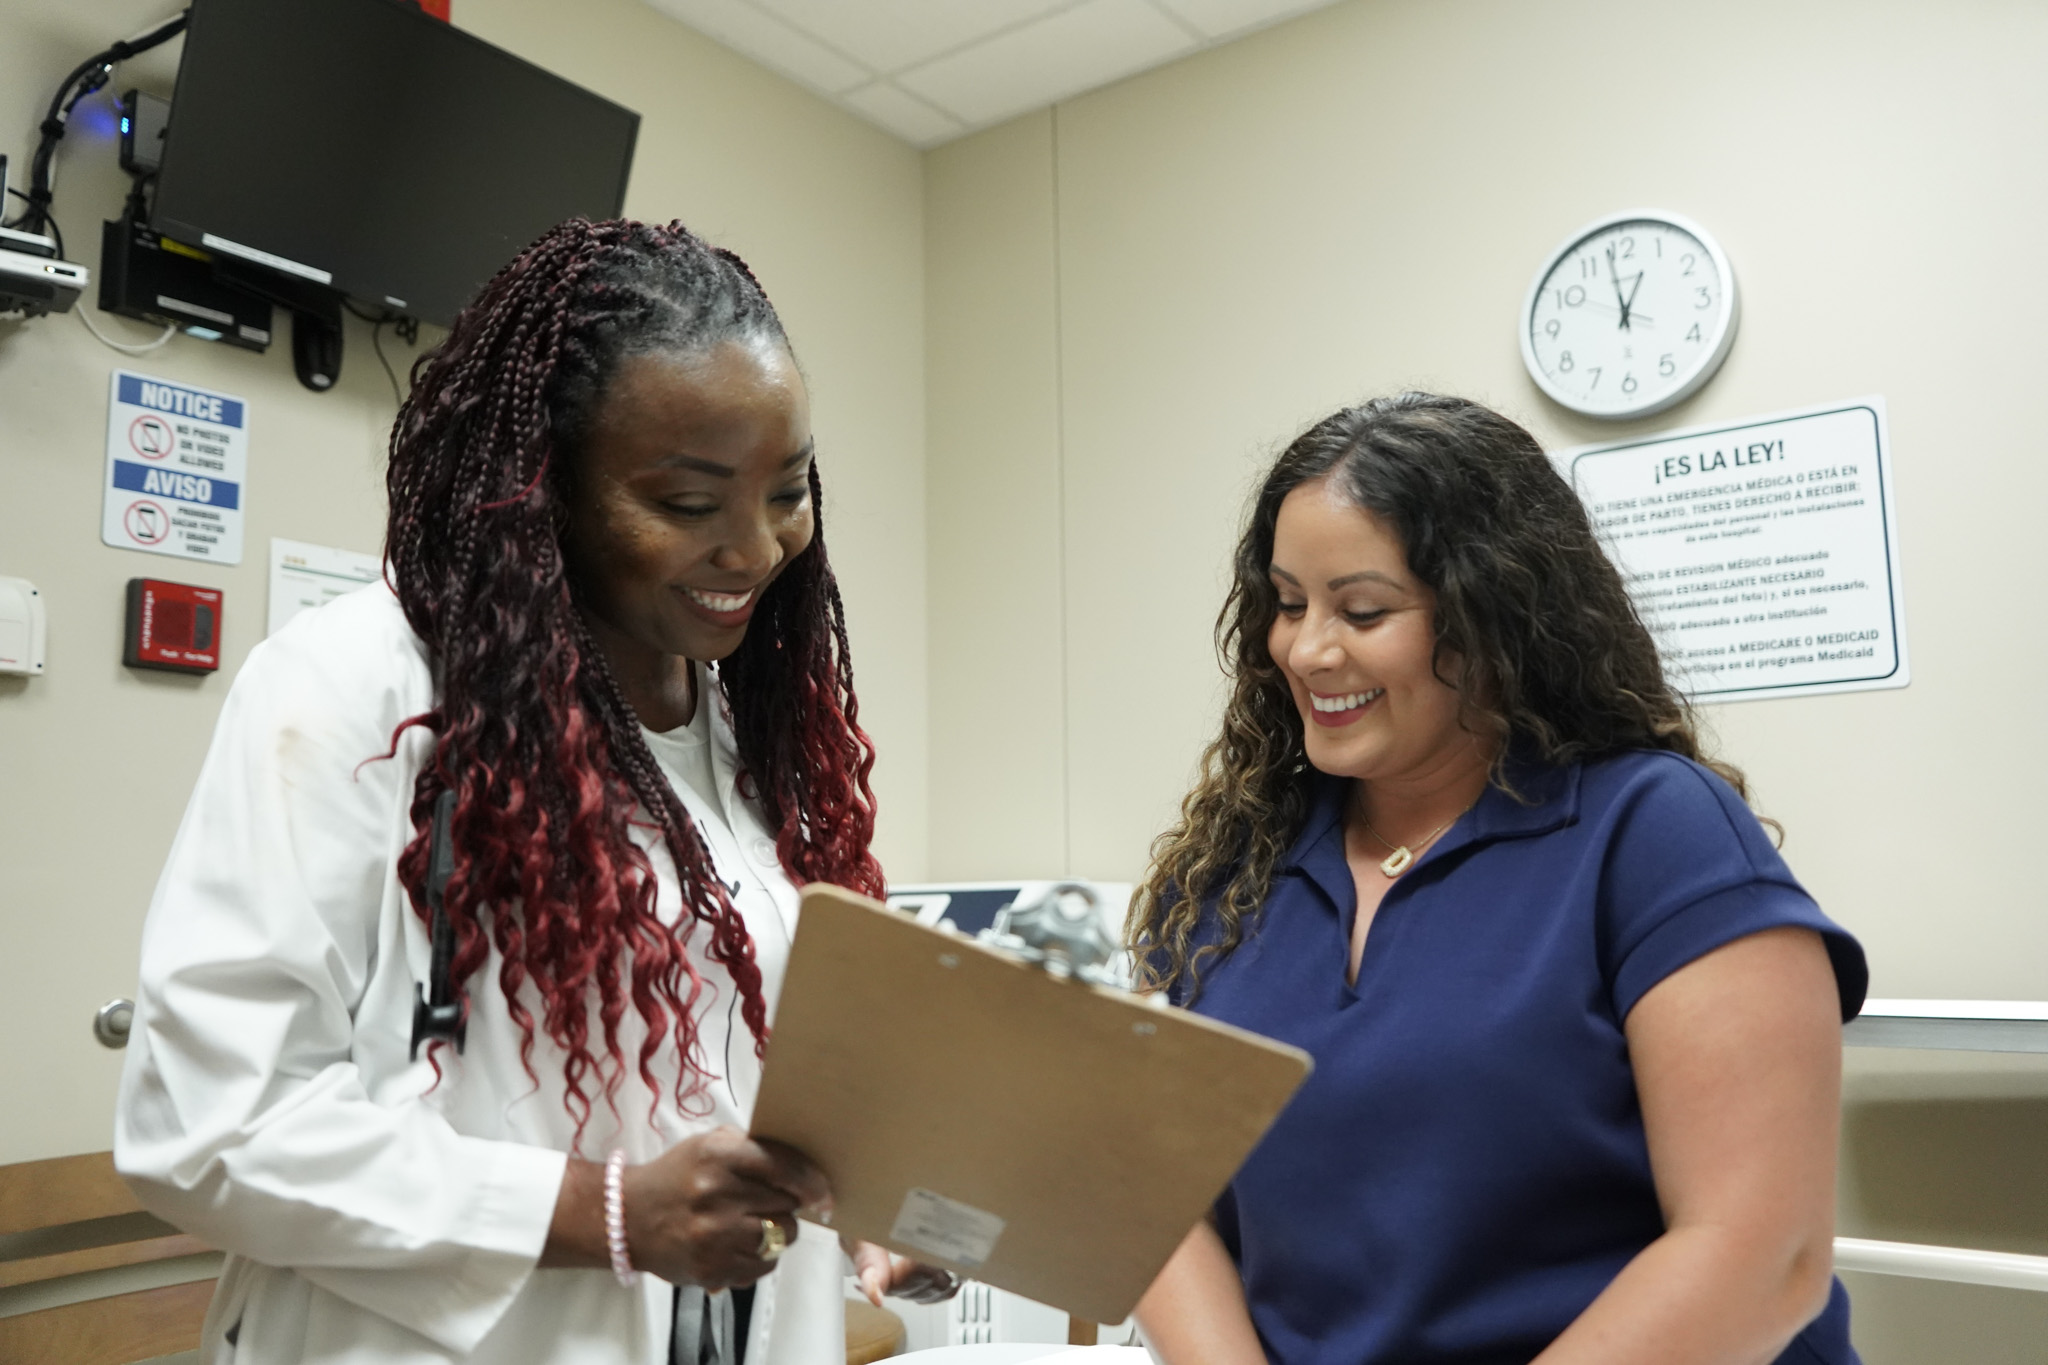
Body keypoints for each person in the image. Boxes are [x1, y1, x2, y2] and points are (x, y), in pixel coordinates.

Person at [115, 219, 948, 1365]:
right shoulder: (357, 689)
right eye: (689, 503)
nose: (755, 550)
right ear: (538, 490)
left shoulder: (750, 734)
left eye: (788, 492)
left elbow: (730, 1087)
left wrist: (883, 1206)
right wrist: (605, 1214)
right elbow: (209, 1131)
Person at [1129, 393, 1867, 1365]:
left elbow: (1758, 1256)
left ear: (1493, 615)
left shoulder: (1648, 832)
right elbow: (1150, 1189)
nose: (1305, 649)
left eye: (1362, 610)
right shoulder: (1237, 871)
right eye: (1287, 601)